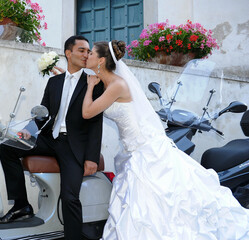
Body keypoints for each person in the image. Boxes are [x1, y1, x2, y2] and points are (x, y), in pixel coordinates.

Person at [82, 40, 249, 239]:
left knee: (152, 203)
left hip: (143, 150)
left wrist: (90, 87)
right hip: (131, 150)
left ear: (101, 60)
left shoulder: (117, 85)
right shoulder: (108, 83)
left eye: (91, 53)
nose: (87, 56)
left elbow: (87, 112)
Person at [0, 35, 104, 240]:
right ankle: (21, 206)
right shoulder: (54, 82)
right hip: (49, 139)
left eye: (88, 51)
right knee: (7, 148)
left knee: (70, 197)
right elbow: (43, 114)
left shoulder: (94, 83)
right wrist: (29, 130)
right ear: (68, 53)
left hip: (73, 145)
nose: (86, 54)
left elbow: (96, 123)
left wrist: (91, 158)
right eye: (81, 50)